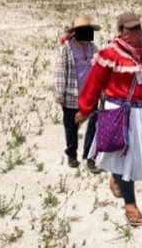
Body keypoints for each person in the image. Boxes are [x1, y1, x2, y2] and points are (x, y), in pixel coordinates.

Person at [75, 11, 142, 227]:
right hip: (119, 111)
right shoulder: (110, 53)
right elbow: (94, 83)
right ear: (121, 30)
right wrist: (84, 109)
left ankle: (116, 177)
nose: (135, 33)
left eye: (137, 28)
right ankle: (131, 204)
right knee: (125, 156)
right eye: (130, 29)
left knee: (131, 157)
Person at [53, 16, 100, 169]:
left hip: (90, 95)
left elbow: (98, 70)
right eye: (83, 31)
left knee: (94, 123)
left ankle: (89, 155)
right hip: (71, 96)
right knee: (71, 127)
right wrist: (59, 94)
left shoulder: (93, 48)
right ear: (75, 32)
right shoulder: (66, 49)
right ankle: (71, 155)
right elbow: (60, 72)